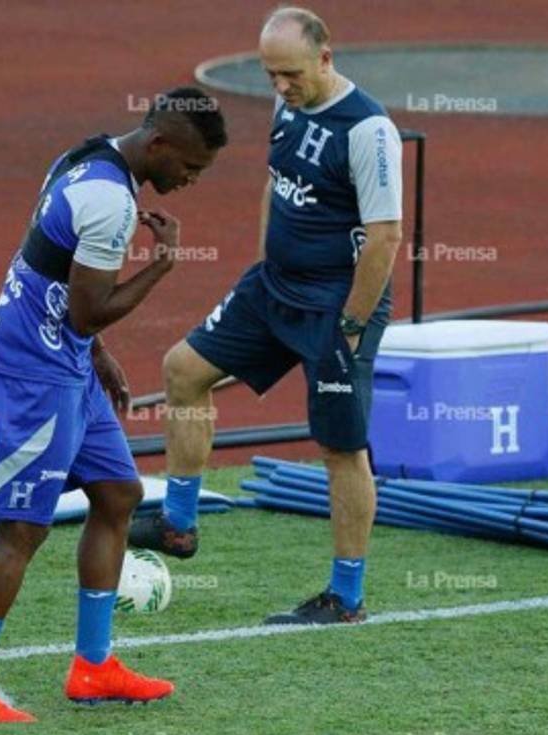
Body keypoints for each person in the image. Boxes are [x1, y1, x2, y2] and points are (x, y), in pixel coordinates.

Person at [0, 86, 227, 722]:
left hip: (63, 357)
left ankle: (93, 667)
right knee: (24, 528)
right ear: (160, 146)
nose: (191, 182)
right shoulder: (111, 202)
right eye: (191, 168)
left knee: (118, 494)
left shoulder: (83, 156)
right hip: (31, 366)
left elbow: (50, 270)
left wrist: (95, 356)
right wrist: (161, 266)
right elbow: (89, 309)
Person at [129, 7, 404, 626]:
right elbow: (275, 184)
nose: (279, 86)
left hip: (336, 305)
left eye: (290, 74)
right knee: (184, 370)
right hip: (274, 288)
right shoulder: (287, 107)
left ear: (325, 59)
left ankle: (346, 597)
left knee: (340, 447)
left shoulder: (368, 131)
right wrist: (261, 266)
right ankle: (178, 523)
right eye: (269, 73)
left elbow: (386, 236)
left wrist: (353, 326)